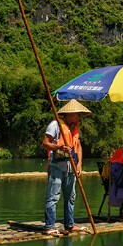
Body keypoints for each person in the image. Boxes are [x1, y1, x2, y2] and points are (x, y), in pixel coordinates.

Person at [42, 99, 91, 235]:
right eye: (76, 114)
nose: (78, 117)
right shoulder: (55, 125)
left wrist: (80, 163)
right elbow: (45, 143)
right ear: (69, 113)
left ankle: (69, 225)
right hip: (57, 166)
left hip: (72, 167)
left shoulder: (74, 128)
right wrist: (58, 146)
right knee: (53, 197)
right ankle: (49, 227)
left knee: (71, 197)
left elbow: (78, 146)